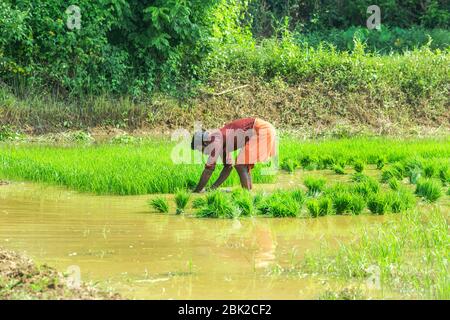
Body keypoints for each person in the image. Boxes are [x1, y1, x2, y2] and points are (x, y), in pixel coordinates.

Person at [191, 117, 276, 192]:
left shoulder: (215, 139)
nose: (204, 153)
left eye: (201, 150)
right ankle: (249, 194)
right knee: (242, 165)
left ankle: (247, 196)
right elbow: (228, 167)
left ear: (205, 143)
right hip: (265, 129)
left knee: (240, 164)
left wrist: (197, 191)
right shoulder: (220, 142)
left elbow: (209, 169)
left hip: (262, 130)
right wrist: (212, 188)